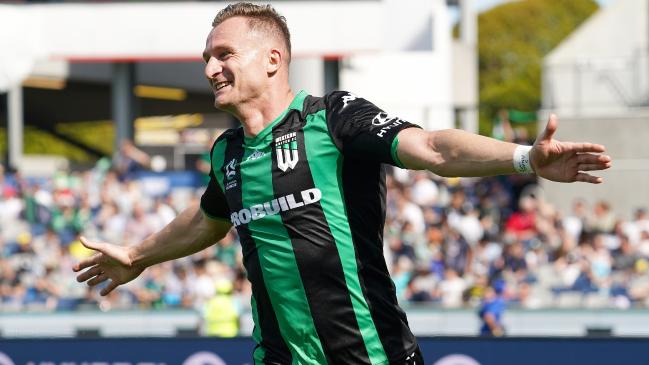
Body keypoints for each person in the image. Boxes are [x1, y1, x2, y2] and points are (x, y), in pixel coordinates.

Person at [73, 3, 612, 364]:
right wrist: (140, 254)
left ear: (273, 59)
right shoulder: (226, 153)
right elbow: (210, 216)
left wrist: (523, 158)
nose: (210, 69)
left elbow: (433, 148)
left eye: (224, 55)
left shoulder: (332, 119)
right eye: (207, 58)